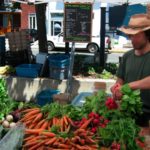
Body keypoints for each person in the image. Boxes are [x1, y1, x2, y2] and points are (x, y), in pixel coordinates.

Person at [111, 9, 150, 127]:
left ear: (147, 34)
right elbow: (120, 81)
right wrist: (116, 89)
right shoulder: (127, 56)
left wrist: (129, 86)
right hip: (128, 114)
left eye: (136, 35)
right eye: (130, 36)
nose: (132, 40)